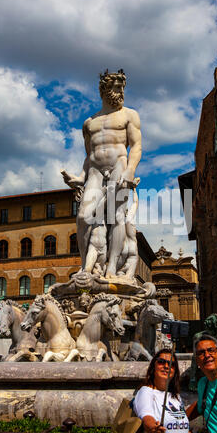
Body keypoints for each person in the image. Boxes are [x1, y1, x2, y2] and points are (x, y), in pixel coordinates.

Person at [61, 69, 142, 281]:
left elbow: (136, 146)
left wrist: (130, 170)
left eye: (122, 88)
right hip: (95, 171)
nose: (121, 91)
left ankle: (112, 268)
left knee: (117, 217)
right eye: (117, 88)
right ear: (105, 90)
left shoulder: (129, 115)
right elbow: (89, 156)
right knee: (83, 216)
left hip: (119, 166)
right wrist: (79, 178)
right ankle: (86, 265)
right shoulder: (89, 123)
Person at [133, 348, 190, 433]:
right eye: (161, 362)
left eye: (172, 364)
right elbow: (146, 417)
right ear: (153, 367)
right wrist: (153, 428)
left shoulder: (176, 396)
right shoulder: (146, 392)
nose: (166, 366)